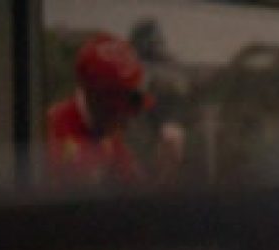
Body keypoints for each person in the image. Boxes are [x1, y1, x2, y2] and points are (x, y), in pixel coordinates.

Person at [43, 32, 183, 187]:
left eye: (129, 108)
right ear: (94, 98)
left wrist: (166, 169)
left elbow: (138, 197)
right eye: (118, 109)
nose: (127, 118)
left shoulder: (109, 138)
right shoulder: (52, 132)